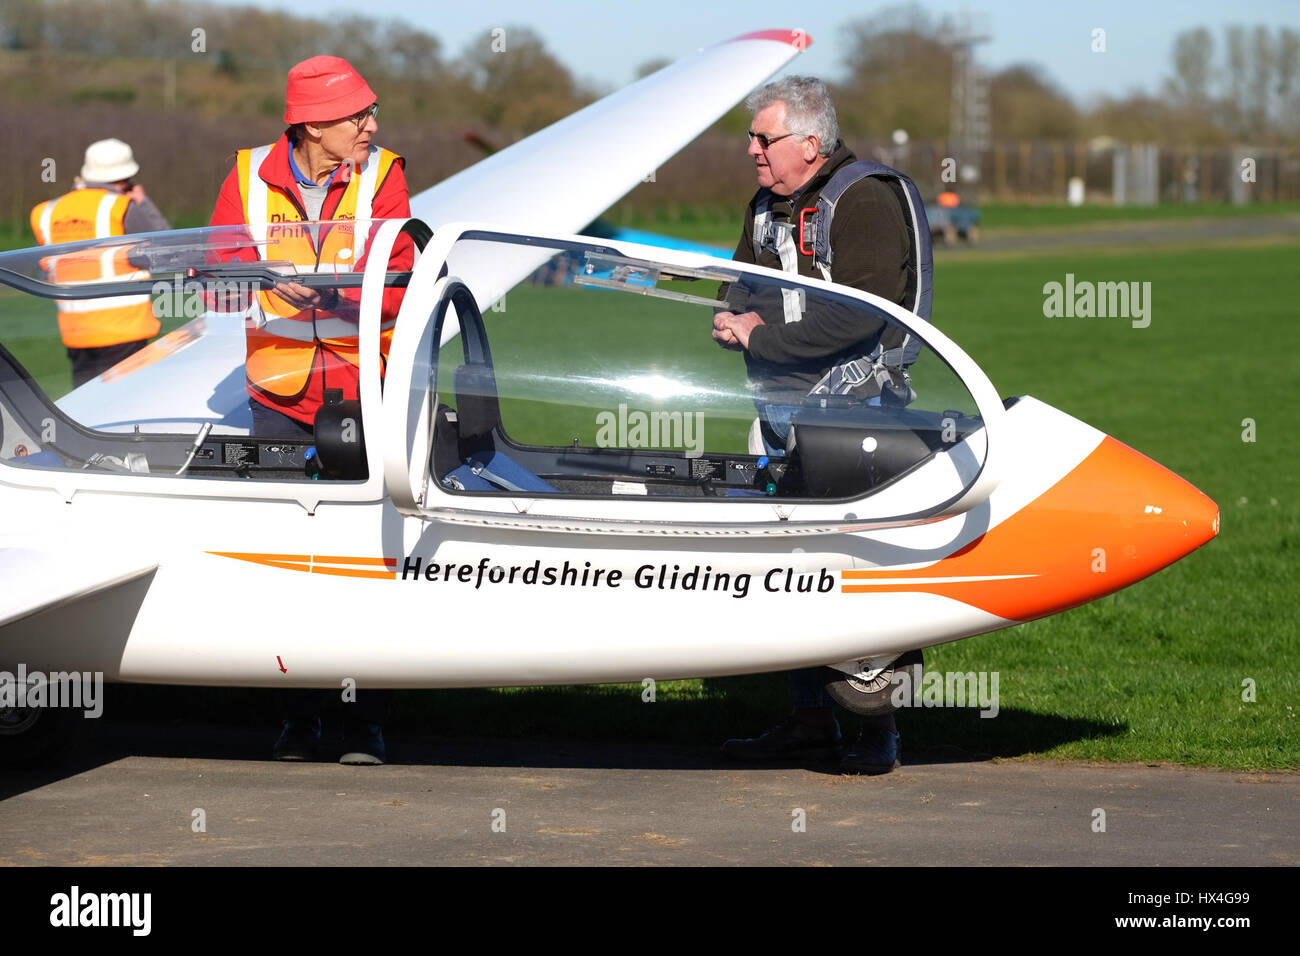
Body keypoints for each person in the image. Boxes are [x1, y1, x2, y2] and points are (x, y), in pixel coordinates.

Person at [713, 76, 928, 775]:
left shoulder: (865, 198)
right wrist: (730, 315)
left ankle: (876, 730)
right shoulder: (767, 203)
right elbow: (740, 278)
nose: (750, 149)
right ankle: (809, 722)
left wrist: (759, 335)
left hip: (854, 417)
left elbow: (864, 313)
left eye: (762, 137)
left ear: (810, 143)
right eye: (751, 137)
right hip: (778, 410)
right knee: (789, 571)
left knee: (858, 570)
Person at [210, 55, 412, 764]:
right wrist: (267, 286)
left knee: (367, 557)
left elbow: (400, 285)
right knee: (286, 566)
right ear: (313, 125)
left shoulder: (385, 174)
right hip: (278, 395)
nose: (371, 126)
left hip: (365, 391)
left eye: (370, 112)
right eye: (358, 116)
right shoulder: (244, 176)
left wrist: (326, 292)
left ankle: (365, 724)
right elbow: (215, 287)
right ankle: (299, 721)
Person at [30, 139, 170, 387]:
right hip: (125, 329)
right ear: (125, 179)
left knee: (88, 412)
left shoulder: (45, 213)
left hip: (76, 333)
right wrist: (143, 203)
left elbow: (45, 273)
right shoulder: (121, 206)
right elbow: (167, 250)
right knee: (127, 409)